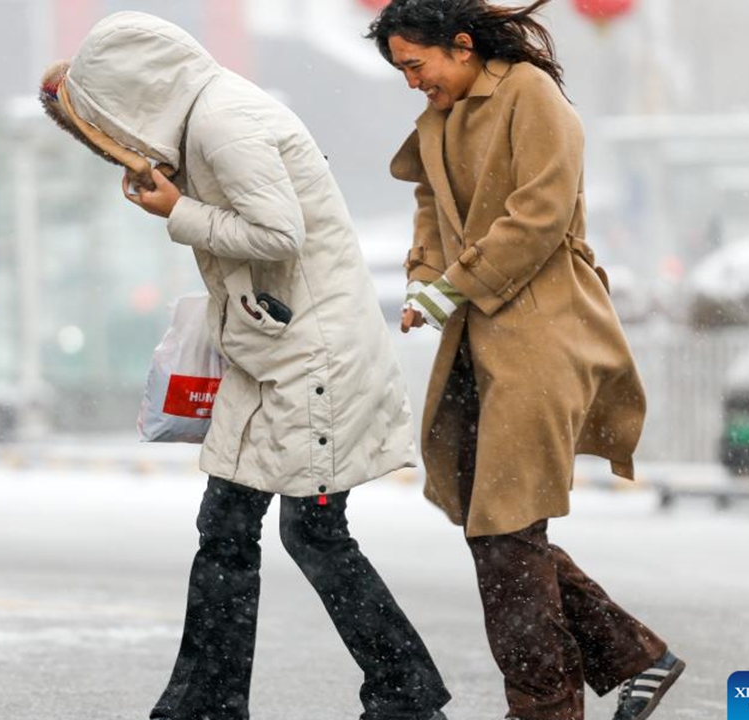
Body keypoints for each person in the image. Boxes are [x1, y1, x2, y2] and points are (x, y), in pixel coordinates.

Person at [39, 11, 451, 720]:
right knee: (233, 528)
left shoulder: (221, 125)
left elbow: (278, 235)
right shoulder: (211, 111)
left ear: (134, 97)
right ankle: (216, 701)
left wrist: (180, 211)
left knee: (308, 532)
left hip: (311, 364)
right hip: (275, 359)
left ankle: (401, 694)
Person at [365, 1, 683, 719]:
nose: (413, 82)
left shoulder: (530, 96)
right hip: (475, 345)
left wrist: (455, 286)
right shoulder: (441, 118)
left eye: (417, 64)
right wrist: (424, 278)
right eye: (400, 70)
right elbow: (430, 205)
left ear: (463, 45)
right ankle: (636, 657)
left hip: (541, 337)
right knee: (499, 531)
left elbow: (540, 215)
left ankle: (545, 708)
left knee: (505, 535)